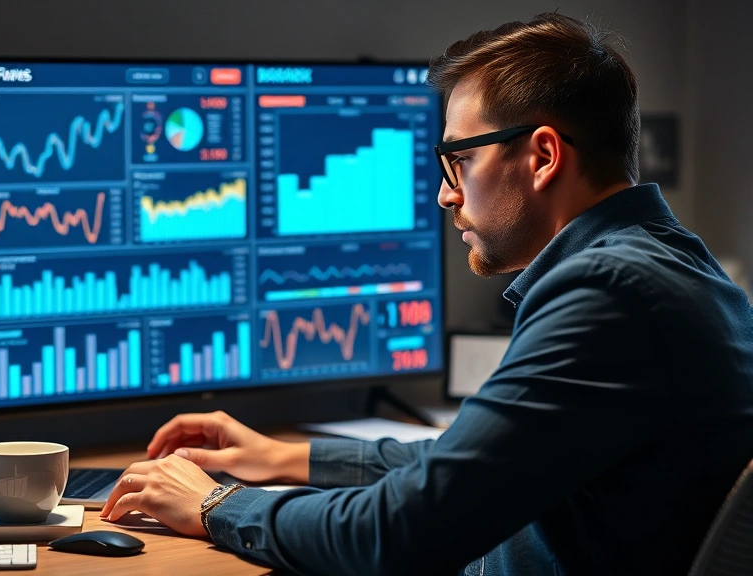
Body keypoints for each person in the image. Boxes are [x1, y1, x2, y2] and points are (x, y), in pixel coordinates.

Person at [100, 12, 753, 575]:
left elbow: (400, 531)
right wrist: (281, 456)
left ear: (543, 156)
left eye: (458, 161)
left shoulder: (608, 294)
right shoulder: (675, 268)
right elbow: (468, 464)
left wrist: (216, 505)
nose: (445, 193)